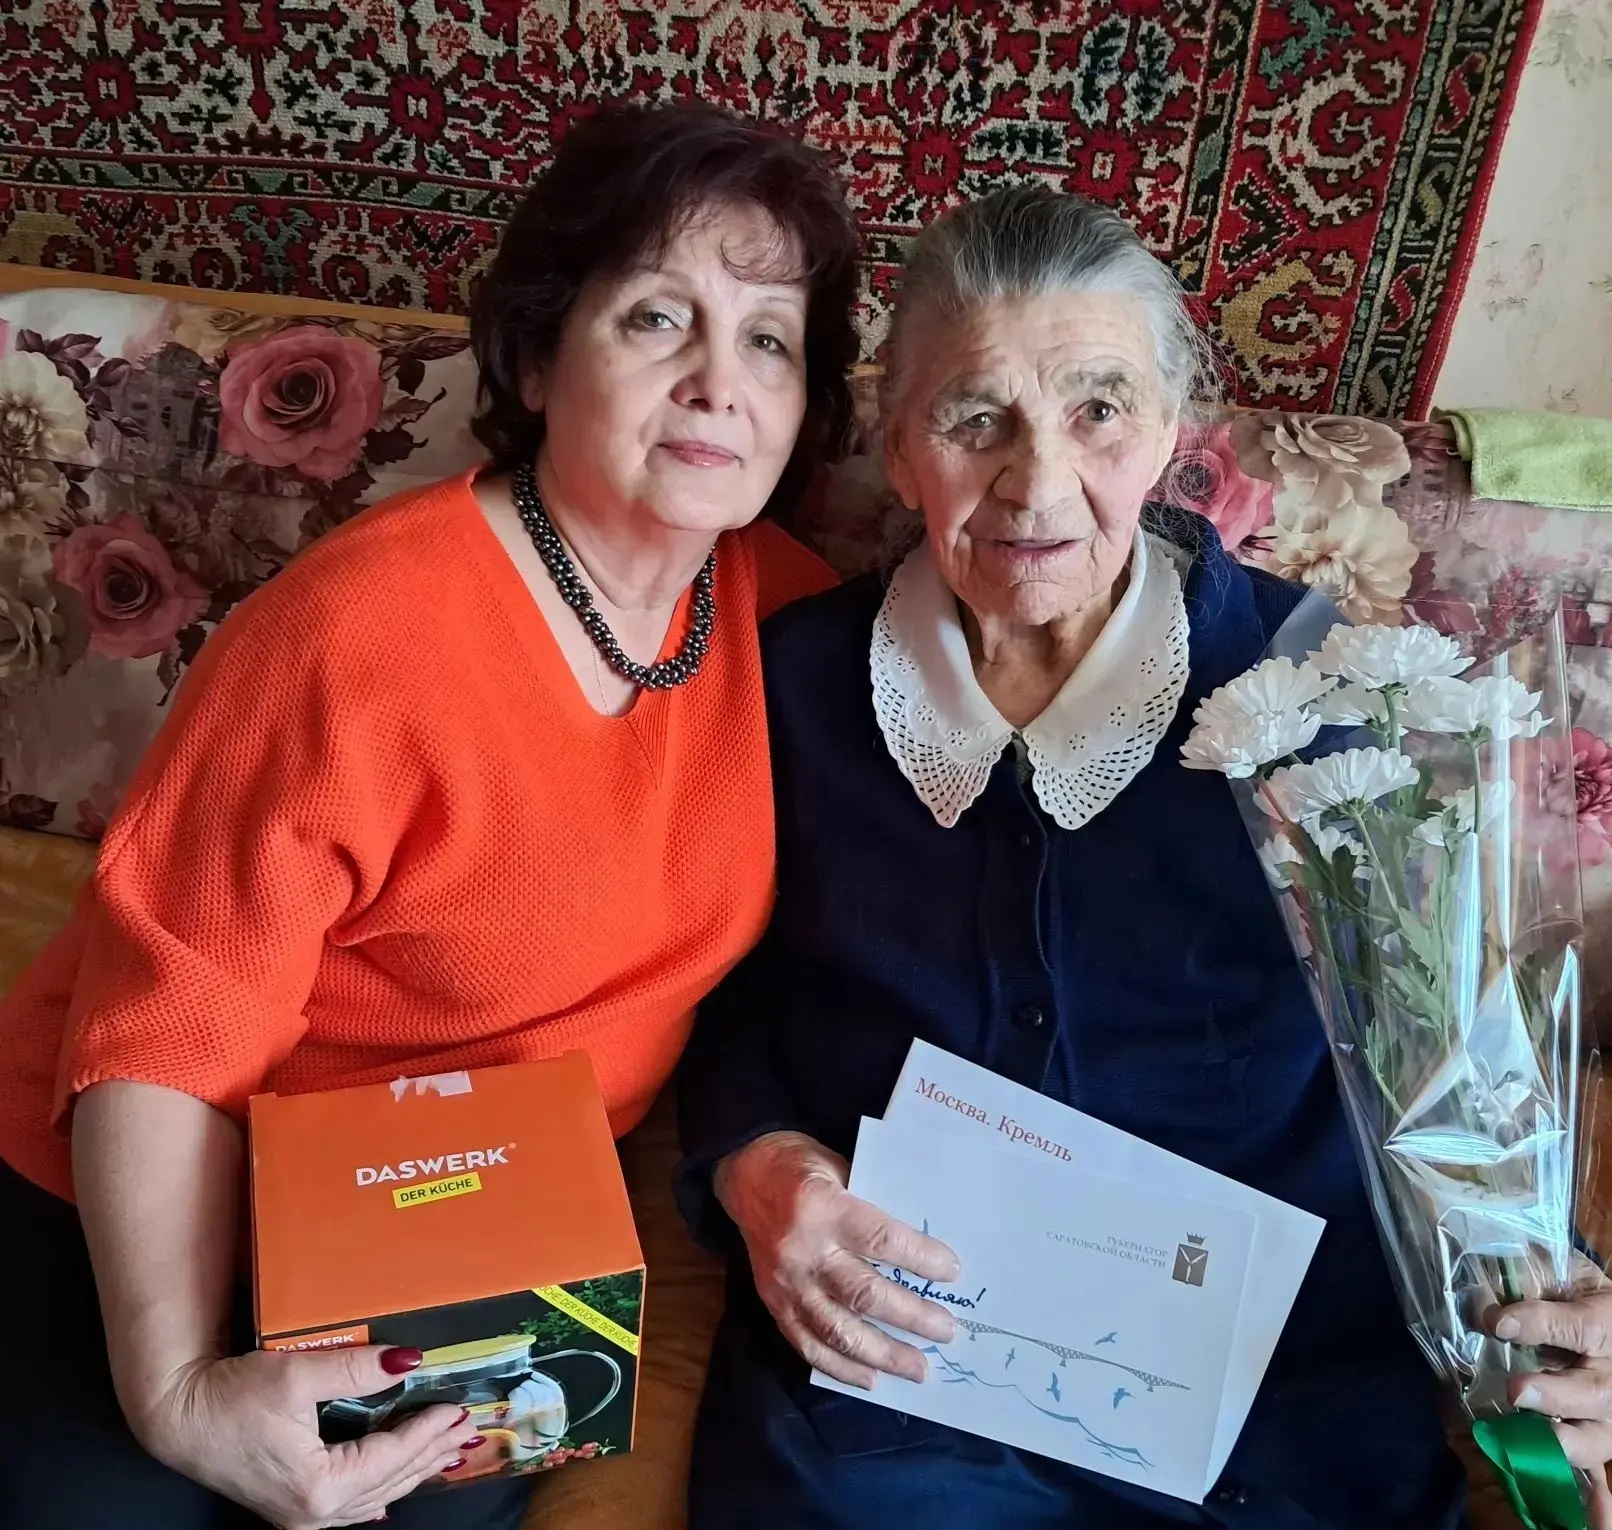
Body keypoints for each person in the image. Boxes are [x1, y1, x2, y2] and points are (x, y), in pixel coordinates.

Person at [675, 185, 1612, 1530]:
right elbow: (718, 988)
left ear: (1172, 429)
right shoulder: (790, 688)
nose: (1037, 482)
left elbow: (1447, 1044)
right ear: (897, 442)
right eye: (975, 418)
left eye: (1099, 410)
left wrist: (1554, 1292)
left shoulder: (1320, 690)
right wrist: (757, 1160)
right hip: (905, 1370)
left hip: (1274, 1382)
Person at [0, 101, 857, 1530]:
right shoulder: (354, 638)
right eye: (658, 319)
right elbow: (171, 1026)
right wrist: (179, 1389)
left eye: (769, 338)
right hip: (160, 1193)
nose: (720, 382)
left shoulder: (797, 624)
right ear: (536, 355)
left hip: (464, 1227)